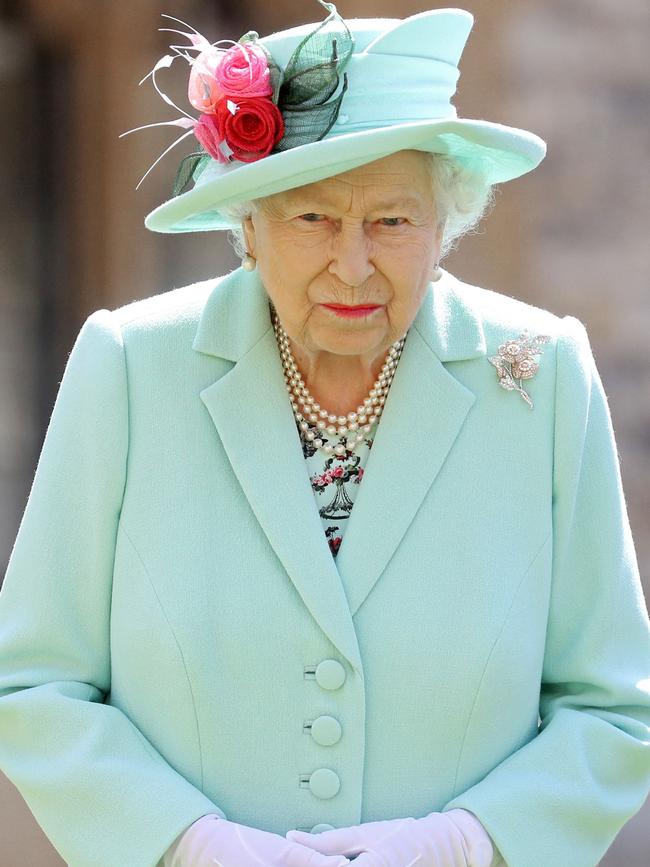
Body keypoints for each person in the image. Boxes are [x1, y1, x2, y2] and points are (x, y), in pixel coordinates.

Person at [0, 4, 648, 866]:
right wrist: (192, 847)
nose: (352, 264)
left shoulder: (541, 376)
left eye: (392, 220)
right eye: (312, 220)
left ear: (444, 224)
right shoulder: (129, 366)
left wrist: (464, 844)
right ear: (249, 226)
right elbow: (35, 684)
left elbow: (616, 705)